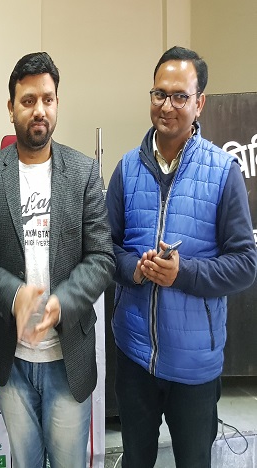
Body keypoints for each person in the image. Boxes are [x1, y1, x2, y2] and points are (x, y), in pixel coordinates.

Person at [106, 46, 257, 468]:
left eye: (179, 96)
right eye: (159, 94)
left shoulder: (222, 171)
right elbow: (105, 248)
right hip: (135, 354)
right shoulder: (126, 169)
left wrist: (183, 274)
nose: (167, 106)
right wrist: (134, 269)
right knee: (137, 459)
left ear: (199, 102)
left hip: (195, 364)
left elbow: (245, 263)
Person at [0, 52, 114, 467]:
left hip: (68, 358)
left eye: (47, 99)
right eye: (28, 101)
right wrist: (15, 296)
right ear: (11, 108)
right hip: (12, 359)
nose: (39, 110)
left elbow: (102, 257)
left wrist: (62, 302)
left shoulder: (82, 172)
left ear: (57, 103)